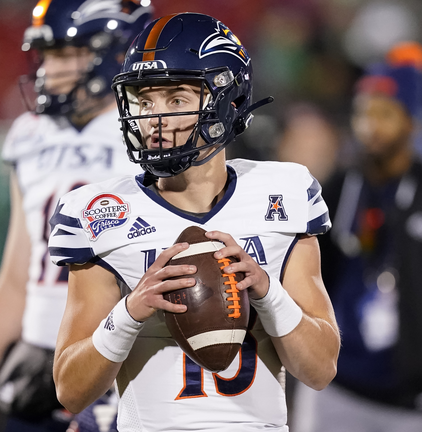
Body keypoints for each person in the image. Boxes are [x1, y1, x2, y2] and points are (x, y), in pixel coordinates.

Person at [49, 12, 341, 432]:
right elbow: (70, 389)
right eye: (144, 101)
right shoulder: (100, 212)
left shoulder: (284, 193)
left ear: (229, 101)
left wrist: (267, 293)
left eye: (177, 100)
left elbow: (320, 369)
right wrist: (130, 312)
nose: (155, 120)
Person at [0, 1, 153, 432]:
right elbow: (17, 280)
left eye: (66, 54)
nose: (50, 70)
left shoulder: (153, 133)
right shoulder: (29, 136)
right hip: (40, 362)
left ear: (116, 51)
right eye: (47, 55)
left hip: (120, 367)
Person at [291, 42, 422, 432]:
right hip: (337, 388)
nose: (370, 125)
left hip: (417, 405)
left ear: (413, 120)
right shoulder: (338, 189)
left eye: (385, 113)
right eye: (363, 112)